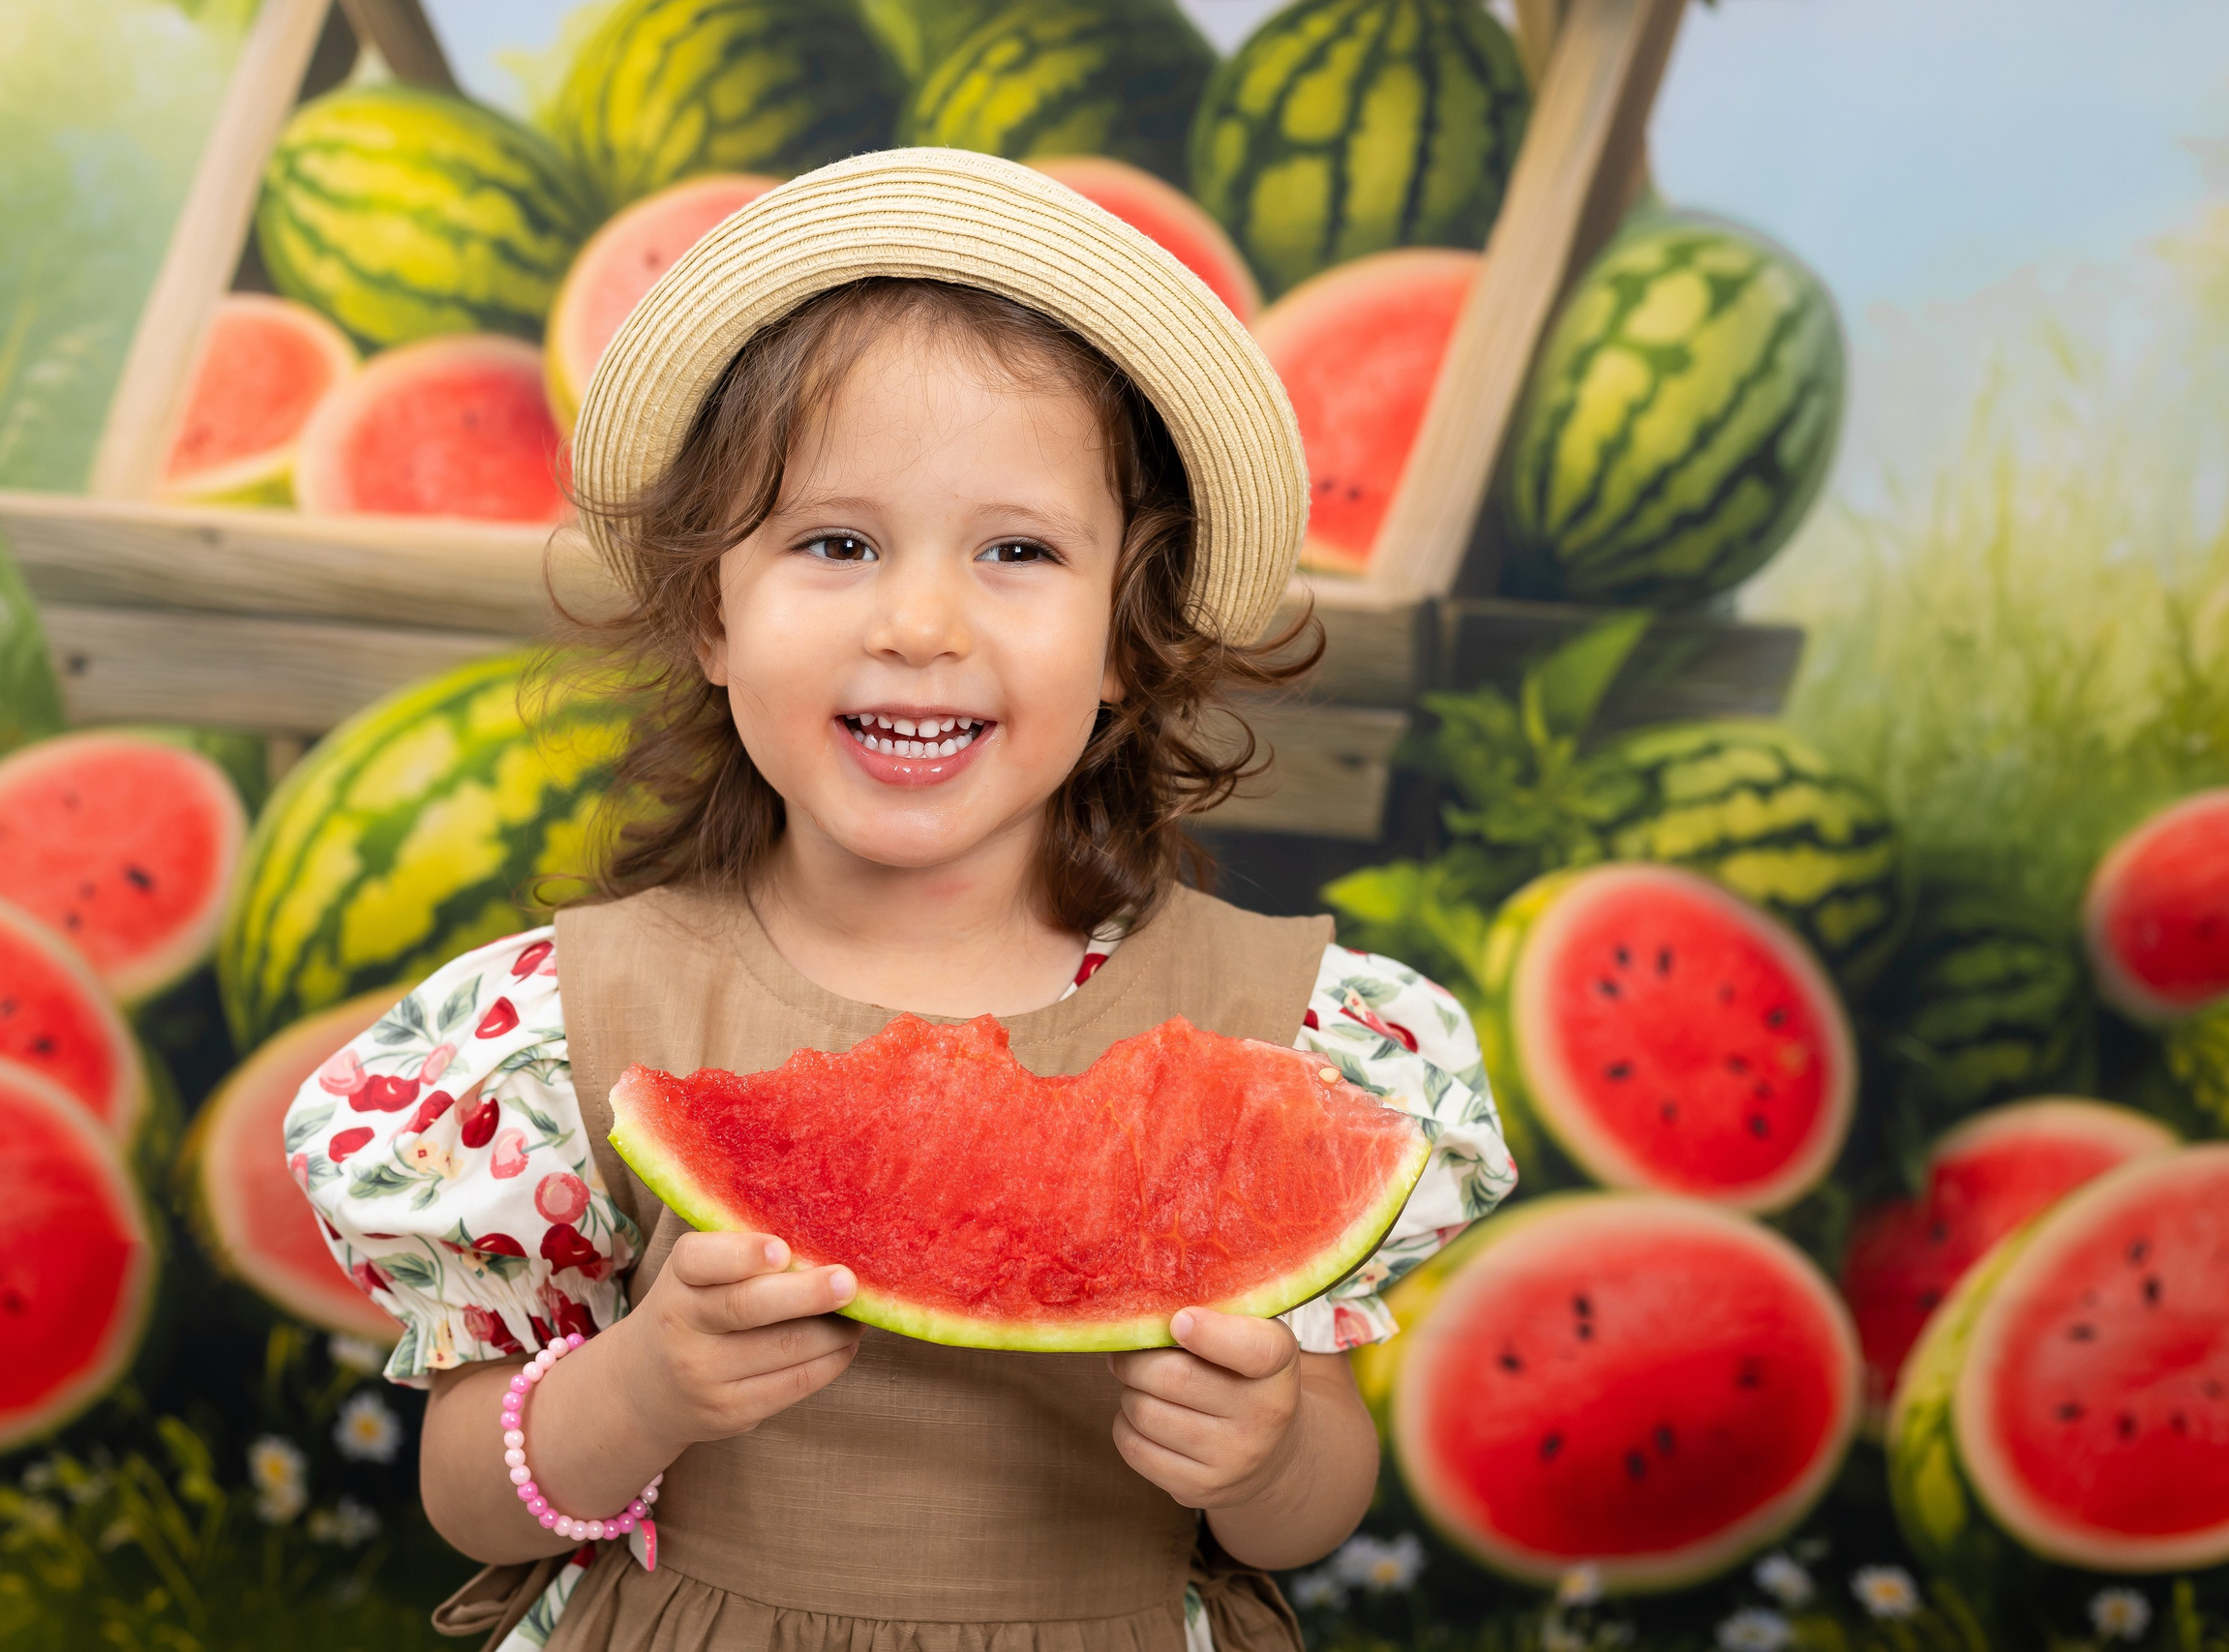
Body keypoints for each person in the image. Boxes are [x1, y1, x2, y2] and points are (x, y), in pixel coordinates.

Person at [289, 148, 1516, 1652]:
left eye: (1017, 550)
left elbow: (1315, 1507)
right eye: (836, 542)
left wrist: (1263, 1450)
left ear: (1127, 634)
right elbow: (469, 1498)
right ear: (710, 614)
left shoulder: (1281, 1040)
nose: (919, 623)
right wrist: (640, 1389)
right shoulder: (567, 1026)